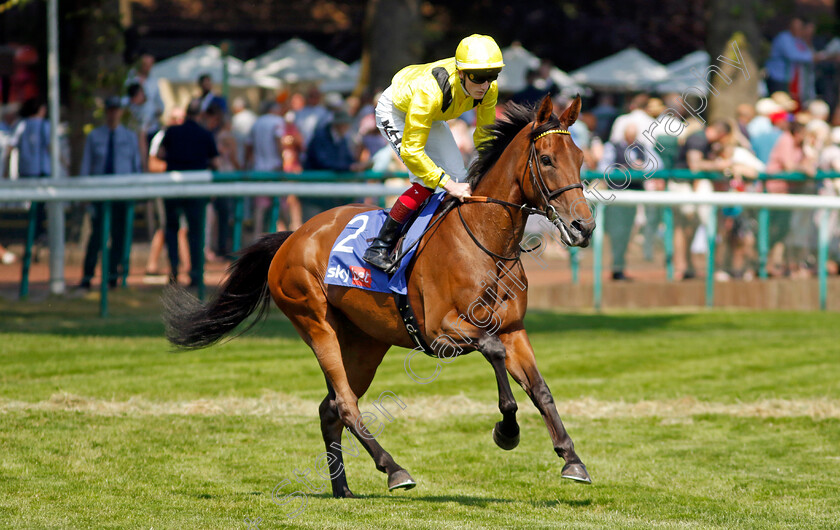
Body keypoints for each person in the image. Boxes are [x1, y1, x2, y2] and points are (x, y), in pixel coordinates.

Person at [362, 34, 504, 271]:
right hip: (396, 111)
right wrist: (447, 184)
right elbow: (411, 151)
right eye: (478, 77)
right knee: (426, 180)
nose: (484, 85)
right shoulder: (430, 91)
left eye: (491, 76)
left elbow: (484, 136)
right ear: (460, 73)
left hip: (434, 114)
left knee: (460, 178)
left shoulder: (489, 89)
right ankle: (379, 247)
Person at [78, 96, 142, 289]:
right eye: (110, 109)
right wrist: (84, 193)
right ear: (106, 112)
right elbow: (86, 165)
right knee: (97, 235)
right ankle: (88, 276)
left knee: (119, 235)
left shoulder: (130, 137)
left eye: (116, 109)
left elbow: (135, 166)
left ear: (121, 112)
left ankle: (113, 275)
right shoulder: (94, 136)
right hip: (100, 193)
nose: (113, 113)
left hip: (122, 194)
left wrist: (136, 191)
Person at [156, 99, 220, 286]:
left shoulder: (172, 131)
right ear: (200, 114)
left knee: (171, 228)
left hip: (173, 187)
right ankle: (196, 274)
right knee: (196, 232)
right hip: (197, 188)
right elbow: (215, 162)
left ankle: (174, 270)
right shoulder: (205, 134)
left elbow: (160, 154)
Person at [302, 110, 368, 221]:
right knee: (314, 225)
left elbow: (346, 159)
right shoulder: (321, 137)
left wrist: (354, 165)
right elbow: (323, 162)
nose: (347, 127)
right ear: (339, 125)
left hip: (328, 191)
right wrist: (349, 167)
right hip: (315, 190)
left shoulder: (341, 138)